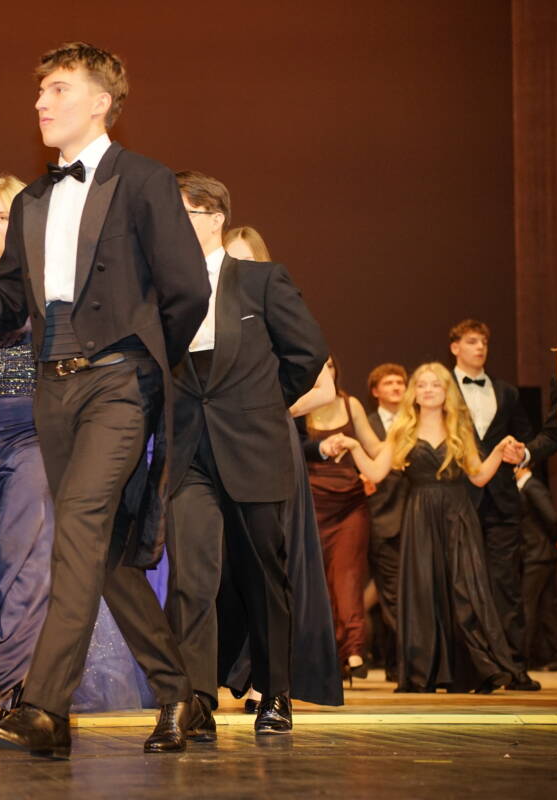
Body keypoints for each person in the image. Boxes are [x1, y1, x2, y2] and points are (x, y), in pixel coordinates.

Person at [0, 42, 210, 758]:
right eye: (40, 92)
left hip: (119, 382)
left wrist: (146, 365)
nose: (41, 102)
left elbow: (187, 290)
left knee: (78, 529)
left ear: (100, 101)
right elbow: (3, 303)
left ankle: (44, 708)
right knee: (107, 552)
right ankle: (178, 691)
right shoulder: (32, 200)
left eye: (58, 89)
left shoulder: (145, 181)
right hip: (52, 390)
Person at [0, 175, 147, 717]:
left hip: (33, 431)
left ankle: (0, 684)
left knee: (25, 556)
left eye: (3, 216)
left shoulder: (45, 283)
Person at [162, 172, 327, 737]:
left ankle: (275, 691)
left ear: (213, 218)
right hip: (189, 448)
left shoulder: (260, 280)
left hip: (253, 445)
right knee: (191, 576)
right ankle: (196, 698)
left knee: (263, 574)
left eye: (181, 213)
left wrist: (265, 403)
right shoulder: (159, 291)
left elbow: (307, 351)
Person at [332, 363, 521, 693]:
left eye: (436, 384)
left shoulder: (459, 427)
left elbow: (478, 476)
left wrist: (499, 452)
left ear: (447, 391)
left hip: (458, 517)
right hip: (420, 518)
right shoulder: (402, 430)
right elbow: (375, 473)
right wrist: (354, 447)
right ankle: (426, 671)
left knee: (464, 590)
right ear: (414, 393)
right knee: (424, 592)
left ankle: (477, 668)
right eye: (422, 385)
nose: (429, 390)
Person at [218, 226, 341, 713]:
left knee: (270, 557)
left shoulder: (271, 302)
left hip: (268, 440)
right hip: (223, 440)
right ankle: (233, 669)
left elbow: (324, 386)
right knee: (228, 563)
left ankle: (264, 679)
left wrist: (269, 406)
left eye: (243, 260)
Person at [448, 319, 538, 690]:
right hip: (457, 498)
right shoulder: (441, 387)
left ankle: (514, 666)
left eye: (484, 341)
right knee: (462, 585)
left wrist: (518, 450)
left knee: (506, 585)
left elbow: (526, 436)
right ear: (455, 347)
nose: (480, 347)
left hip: (501, 500)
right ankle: (471, 669)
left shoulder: (507, 391)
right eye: (472, 341)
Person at [304, 356, 379, 681]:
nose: (326, 372)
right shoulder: (298, 405)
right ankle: (322, 653)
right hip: (310, 502)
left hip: (349, 503)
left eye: (331, 366)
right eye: (320, 366)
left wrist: (403, 441)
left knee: (347, 575)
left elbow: (375, 447)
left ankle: (353, 649)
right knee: (314, 580)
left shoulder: (351, 404)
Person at [364, 362, 408, 675]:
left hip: (414, 515)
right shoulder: (366, 424)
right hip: (378, 516)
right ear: (375, 391)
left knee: (409, 592)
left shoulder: (418, 421)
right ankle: (397, 660)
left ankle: (401, 659)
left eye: (400, 383)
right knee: (389, 592)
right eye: (389, 383)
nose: (396, 387)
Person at [515, 466, 557, 669]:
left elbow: (551, 517)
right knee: (547, 606)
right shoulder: (526, 487)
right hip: (540, 553)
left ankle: (522, 657)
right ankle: (556, 655)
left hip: (538, 554)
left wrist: (554, 540)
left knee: (527, 605)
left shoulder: (532, 486)